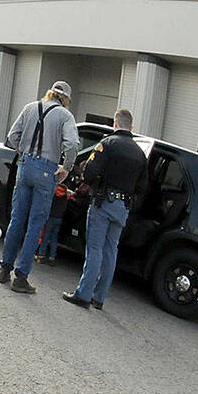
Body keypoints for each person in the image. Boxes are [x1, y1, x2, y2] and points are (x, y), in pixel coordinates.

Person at [0, 80, 79, 293]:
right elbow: (72, 145)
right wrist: (66, 168)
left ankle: (4, 269)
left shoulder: (30, 108)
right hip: (46, 169)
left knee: (17, 219)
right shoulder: (65, 116)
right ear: (65, 99)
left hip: (25, 166)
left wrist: (23, 153)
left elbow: (12, 136)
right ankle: (21, 277)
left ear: (50, 93)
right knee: (35, 224)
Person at [63, 109, 148, 310]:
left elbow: (90, 171)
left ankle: (83, 294)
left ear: (115, 125)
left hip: (103, 202)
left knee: (94, 249)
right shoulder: (140, 153)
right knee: (111, 251)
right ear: (132, 127)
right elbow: (142, 187)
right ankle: (99, 298)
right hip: (123, 207)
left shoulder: (107, 144)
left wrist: (90, 184)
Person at [35, 181, 69, 264]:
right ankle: (52, 257)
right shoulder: (65, 194)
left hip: (51, 216)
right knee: (54, 238)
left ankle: (41, 255)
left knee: (45, 236)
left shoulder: (53, 191)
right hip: (59, 218)